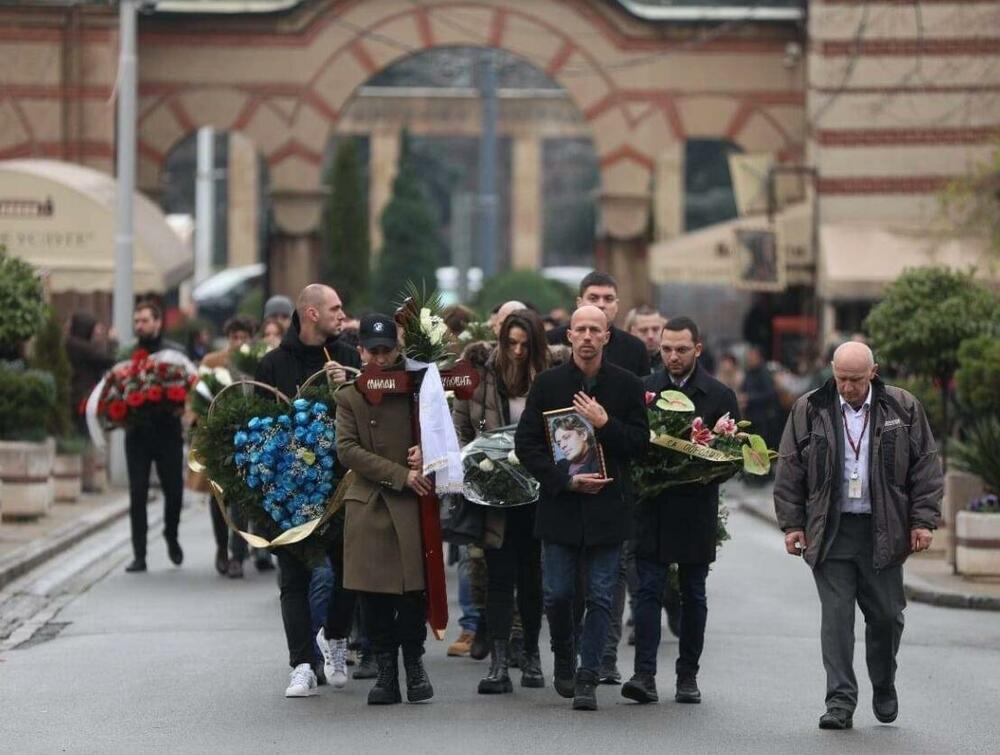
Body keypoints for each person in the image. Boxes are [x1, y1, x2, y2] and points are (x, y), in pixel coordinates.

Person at [773, 342, 942, 731]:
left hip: (883, 532)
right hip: (829, 532)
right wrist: (793, 524)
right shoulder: (810, 408)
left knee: (886, 617)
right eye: (841, 378)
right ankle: (840, 702)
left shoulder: (903, 407)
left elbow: (926, 468)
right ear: (832, 371)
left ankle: (883, 683)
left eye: (856, 379)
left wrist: (923, 521)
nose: (847, 387)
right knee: (836, 621)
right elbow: (790, 469)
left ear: (873, 372)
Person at [515, 305, 648, 711]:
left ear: (608, 336)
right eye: (581, 330)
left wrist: (606, 423)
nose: (588, 336)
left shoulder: (626, 385)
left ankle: (588, 676)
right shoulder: (548, 384)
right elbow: (527, 445)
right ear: (569, 336)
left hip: (608, 508)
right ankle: (563, 655)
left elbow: (641, 445)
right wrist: (564, 479)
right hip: (561, 507)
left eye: (596, 329)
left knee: (602, 597)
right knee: (556, 594)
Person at [622, 316, 740, 706]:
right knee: (647, 592)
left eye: (681, 350)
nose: (672, 356)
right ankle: (644, 675)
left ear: (698, 349)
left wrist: (702, 470)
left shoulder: (719, 396)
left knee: (693, 594)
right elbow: (631, 446)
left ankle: (687, 676)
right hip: (651, 508)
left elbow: (733, 458)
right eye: (667, 349)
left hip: (695, 509)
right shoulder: (643, 390)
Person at [255, 284, 362, 697]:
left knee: (347, 571)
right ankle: (301, 663)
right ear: (311, 314)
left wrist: (347, 385)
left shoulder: (349, 358)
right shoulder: (272, 364)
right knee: (293, 579)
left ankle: (335, 638)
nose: (342, 314)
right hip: (289, 492)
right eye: (335, 308)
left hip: (340, 485)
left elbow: (367, 415)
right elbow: (259, 427)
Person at [335, 314, 435, 706]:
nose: (379, 358)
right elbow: (348, 449)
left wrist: (427, 450)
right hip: (372, 501)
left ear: (398, 350)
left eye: (386, 350)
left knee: (413, 593)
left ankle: (414, 664)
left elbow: (445, 430)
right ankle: (387, 672)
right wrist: (398, 473)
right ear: (359, 351)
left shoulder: (418, 389)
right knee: (374, 596)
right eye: (372, 351)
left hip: (413, 502)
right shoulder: (349, 396)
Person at [453, 309, 549, 694]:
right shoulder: (482, 373)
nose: (518, 351)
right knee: (497, 576)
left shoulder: (548, 375)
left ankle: (531, 656)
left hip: (538, 490)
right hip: (493, 491)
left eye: (525, 344)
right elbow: (461, 424)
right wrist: (472, 462)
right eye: (511, 343)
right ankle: (497, 662)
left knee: (531, 576)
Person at [123, 301, 186, 573]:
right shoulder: (127, 356)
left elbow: (190, 386)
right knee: (137, 494)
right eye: (137, 321)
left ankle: (171, 534)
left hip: (167, 432)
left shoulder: (174, 354)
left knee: (174, 491)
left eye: (145, 320)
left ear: (158, 322)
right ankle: (140, 554)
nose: (140, 325)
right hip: (137, 433)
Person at [197, 316, 255, 578]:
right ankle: (221, 546)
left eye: (244, 337)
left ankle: (237, 555)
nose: (239, 342)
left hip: (249, 437)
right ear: (228, 338)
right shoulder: (212, 362)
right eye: (235, 337)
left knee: (241, 499)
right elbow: (198, 398)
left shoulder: (257, 362)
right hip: (219, 437)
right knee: (218, 496)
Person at [546, 272, 649, 379]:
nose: (601, 305)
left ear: (616, 305)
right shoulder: (551, 340)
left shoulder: (634, 348)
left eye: (608, 299)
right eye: (593, 298)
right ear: (579, 303)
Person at [625, 305, 665, 374]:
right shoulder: (622, 362)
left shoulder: (671, 361)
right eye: (643, 330)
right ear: (631, 332)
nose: (650, 336)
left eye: (655, 329)